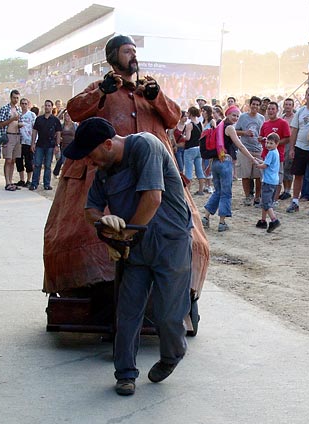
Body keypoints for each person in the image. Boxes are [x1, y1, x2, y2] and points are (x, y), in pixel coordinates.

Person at [53, 34, 208, 304]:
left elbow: (173, 117)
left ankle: (169, 291)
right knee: (89, 231)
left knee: (175, 230)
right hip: (103, 176)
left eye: (134, 51)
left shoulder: (149, 89)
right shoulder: (100, 87)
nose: (133, 56)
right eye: (127, 51)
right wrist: (102, 90)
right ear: (112, 57)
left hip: (154, 175)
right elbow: (75, 110)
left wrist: (157, 96)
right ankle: (92, 291)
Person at [64, 117, 193, 396]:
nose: (89, 162)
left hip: (170, 243)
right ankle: (125, 373)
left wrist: (124, 236)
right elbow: (90, 210)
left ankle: (172, 354)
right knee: (127, 312)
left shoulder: (145, 146)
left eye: (90, 155)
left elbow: (153, 199)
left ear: (108, 144)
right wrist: (104, 220)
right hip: (135, 248)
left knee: (169, 314)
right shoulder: (104, 169)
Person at [202, 105, 258, 231]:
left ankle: (206, 217)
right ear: (227, 114)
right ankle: (222, 222)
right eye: (234, 115)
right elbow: (241, 146)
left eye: (238, 116)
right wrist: (252, 158)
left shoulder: (219, 126)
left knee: (218, 191)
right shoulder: (230, 128)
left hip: (216, 162)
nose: (236, 118)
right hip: (225, 162)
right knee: (226, 193)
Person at [287, 86, 309, 213]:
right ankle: (295, 201)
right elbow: (294, 130)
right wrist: (292, 148)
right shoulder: (300, 112)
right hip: (300, 147)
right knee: (298, 175)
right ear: (305, 96)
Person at [235, 96, 264, 206]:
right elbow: (235, 131)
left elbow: (263, 132)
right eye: (253, 104)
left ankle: (257, 197)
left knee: (258, 175)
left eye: (257, 104)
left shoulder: (261, 118)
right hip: (245, 149)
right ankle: (247, 196)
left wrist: (262, 138)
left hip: (258, 149)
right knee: (245, 175)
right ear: (250, 105)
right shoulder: (243, 117)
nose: (255, 106)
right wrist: (244, 133)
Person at [258, 101, 290, 202]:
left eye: (273, 109)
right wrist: (261, 139)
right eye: (269, 109)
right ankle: (266, 199)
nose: (271, 111)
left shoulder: (283, 123)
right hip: (265, 155)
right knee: (265, 178)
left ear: (277, 110)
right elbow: (261, 136)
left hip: (277, 156)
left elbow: (287, 138)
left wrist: (275, 144)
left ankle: (274, 200)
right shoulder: (265, 124)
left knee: (277, 179)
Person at [30, 99, 61, 191]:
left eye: (49, 105)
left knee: (48, 165)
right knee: (37, 164)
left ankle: (46, 184)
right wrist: (33, 143)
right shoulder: (39, 119)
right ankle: (34, 183)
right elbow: (34, 131)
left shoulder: (55, 120)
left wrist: (57, 145)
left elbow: (58, 133)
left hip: (50, 145)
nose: (47, 107)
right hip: (39, 144)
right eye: (46, 105)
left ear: (52, 107)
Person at [254, 133, 281, 232]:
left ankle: (274, 220)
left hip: (268, 181)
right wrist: (259, 161)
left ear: (277, 144)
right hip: (274, 181)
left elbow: (265, 166)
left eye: (271, 143)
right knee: (265, 201)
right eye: (267, 143)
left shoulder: (271, 153)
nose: (268, 145)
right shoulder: (275, 152)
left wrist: (257, 165)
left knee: (266, 202)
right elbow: (266, 163)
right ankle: (263, 220)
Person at [0, 90, 23, 191]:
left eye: (17, 98)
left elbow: (19, 121)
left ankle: (11, 181)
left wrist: (19, 124)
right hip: (8, 135)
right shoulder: (5, 109)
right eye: (14, 98)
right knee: (8, 160)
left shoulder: (18, 109)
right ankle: (7, 182)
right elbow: (0, 124)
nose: (15, 100)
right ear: (10, 98)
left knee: (13, 160)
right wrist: (12, 119)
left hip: (17, 135)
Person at [182, 106, 205, 195]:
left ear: (190, 113)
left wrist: (182, 137)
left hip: (190, 149)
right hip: (198, 148)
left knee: (188, 170)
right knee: (199, 169)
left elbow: (187, 138)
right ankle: (201, 190)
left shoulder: (189, 125)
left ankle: (188, 191)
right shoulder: (200, 124)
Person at [15, 98, 36, 186]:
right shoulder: (17, 115)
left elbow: (35, 128)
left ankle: (29, 180)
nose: (24, 105)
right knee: (19, 161)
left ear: (28, 105)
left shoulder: (32, 115)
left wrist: (34, 142)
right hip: (18, 141)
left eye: (25, 104)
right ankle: (21, 179)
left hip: (28, 141)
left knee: (29, 161)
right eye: (22, 103)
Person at [279, 98, 295, 200]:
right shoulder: (282, 118)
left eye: (290, 104)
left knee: (289, 168)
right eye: (286, 104)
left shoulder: (295, 118)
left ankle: (289, 189)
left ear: (293, 106)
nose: (288, 106)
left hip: (291, 144)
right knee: (283, 167)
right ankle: (285, 190)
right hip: (282, 144)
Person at [53, 110, 76, 178]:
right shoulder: (62, 126)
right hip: (64, 145)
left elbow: (77, 134)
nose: (68, 117)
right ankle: (59, 173)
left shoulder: (74, 126)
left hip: (72, 145)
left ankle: (61, 173)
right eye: (66, 116)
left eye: (69, 116)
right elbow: (57, 134)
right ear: (64, 117)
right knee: (63, 160)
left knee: (68, 160)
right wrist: (59, 139)